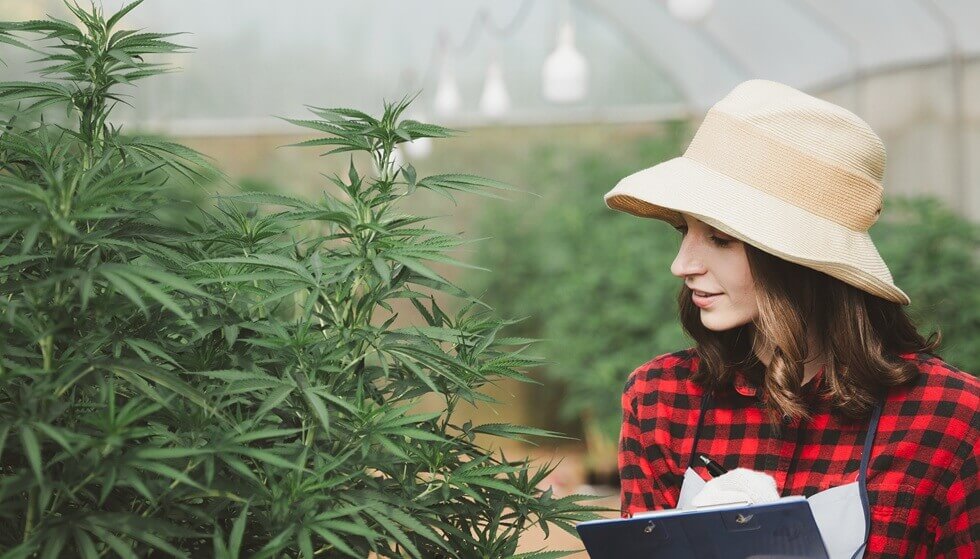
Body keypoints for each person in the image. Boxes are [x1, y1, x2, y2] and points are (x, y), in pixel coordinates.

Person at [604, 79, 978, 558]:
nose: (682, 264)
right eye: (684, 230)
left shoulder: (948, 418)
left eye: (719, 238)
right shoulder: (662, 402)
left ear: (798, 259)